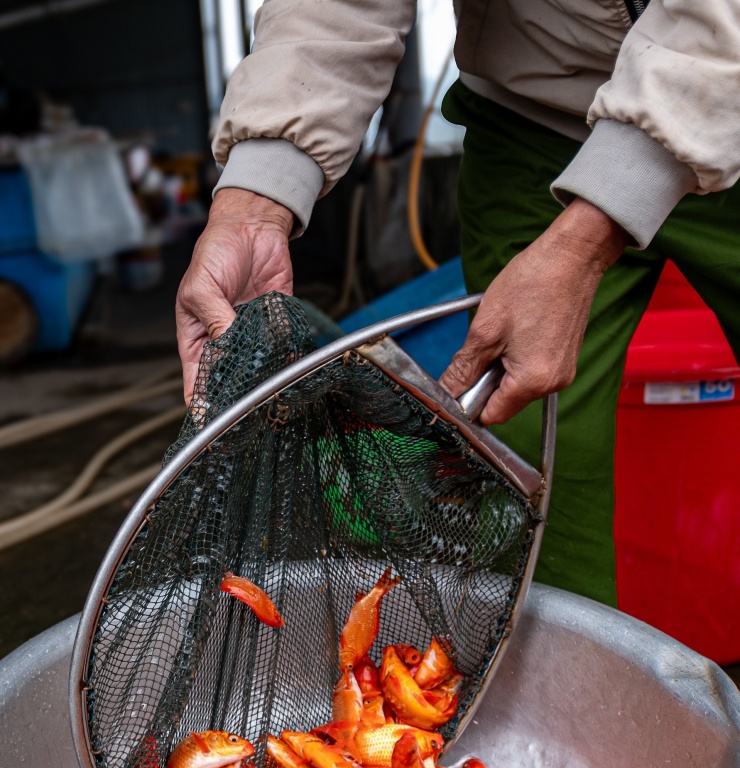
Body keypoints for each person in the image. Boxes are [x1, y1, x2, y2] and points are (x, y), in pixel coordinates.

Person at [176, 0, 740, 607]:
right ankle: (560, 680)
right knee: (526, 460)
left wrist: (590, 234)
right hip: (539, 119)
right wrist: (254, 203)